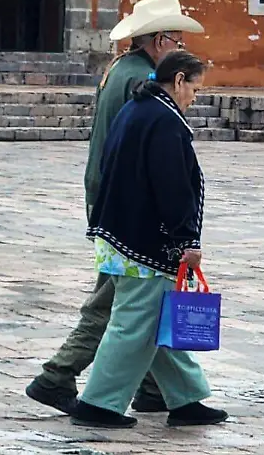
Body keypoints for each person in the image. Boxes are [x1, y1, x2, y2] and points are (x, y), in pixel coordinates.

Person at [26, 0, 204, 415]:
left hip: (109, 197)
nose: (180, 48)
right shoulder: (144, 82)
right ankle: (58, 376)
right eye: (177, 40)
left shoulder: (118, 70)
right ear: (160, 41)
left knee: (142, 297)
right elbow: (153, 160)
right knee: (119, 300)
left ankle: (162, 390)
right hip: (129, 209)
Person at [71, 50, 227, 428]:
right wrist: (186, 239)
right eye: (195, 88)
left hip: (117, 232)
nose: (194, 97)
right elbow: (172, 186)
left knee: (155, 318)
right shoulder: (164, 121)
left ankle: (186, 399)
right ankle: (98, 404)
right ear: (178, 81)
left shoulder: (136, 110)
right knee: (135, 323)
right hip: (142, 241)